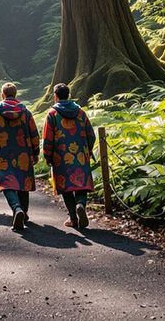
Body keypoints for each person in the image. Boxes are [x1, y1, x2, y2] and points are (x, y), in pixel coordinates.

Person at [42, 82, 97, 230]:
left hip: (61, 157)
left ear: (55, 96)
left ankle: (73, 217)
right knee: (81, 186)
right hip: (80, 155)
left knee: (66, 188)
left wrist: (47, 156)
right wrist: (88, 150)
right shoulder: (80, 113)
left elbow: (48, 138)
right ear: (69, 95)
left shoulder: (52, 114)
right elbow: (91, 135)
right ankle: (80, 205)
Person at [0, 82, 40, 231]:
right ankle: (24, 212)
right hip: (23, 152)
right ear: (16, 94)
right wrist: (35, 153)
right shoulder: (26, 112)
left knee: (6, 183)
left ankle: (17, 209)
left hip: (3, 153)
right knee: (23, 182)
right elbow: (34, 134)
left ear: (2, 95)